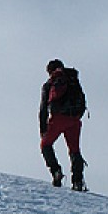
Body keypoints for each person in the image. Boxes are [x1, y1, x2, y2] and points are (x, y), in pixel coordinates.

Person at [39, 59, 87, 190]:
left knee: (45, 144)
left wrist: (43, 128)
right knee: (75, 150)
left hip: (58, 119)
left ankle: (56, 172)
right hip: (74, 119)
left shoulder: (50, 84)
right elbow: (83, 100)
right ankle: (77, 181)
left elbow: (43, 107)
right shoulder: (73, 80)